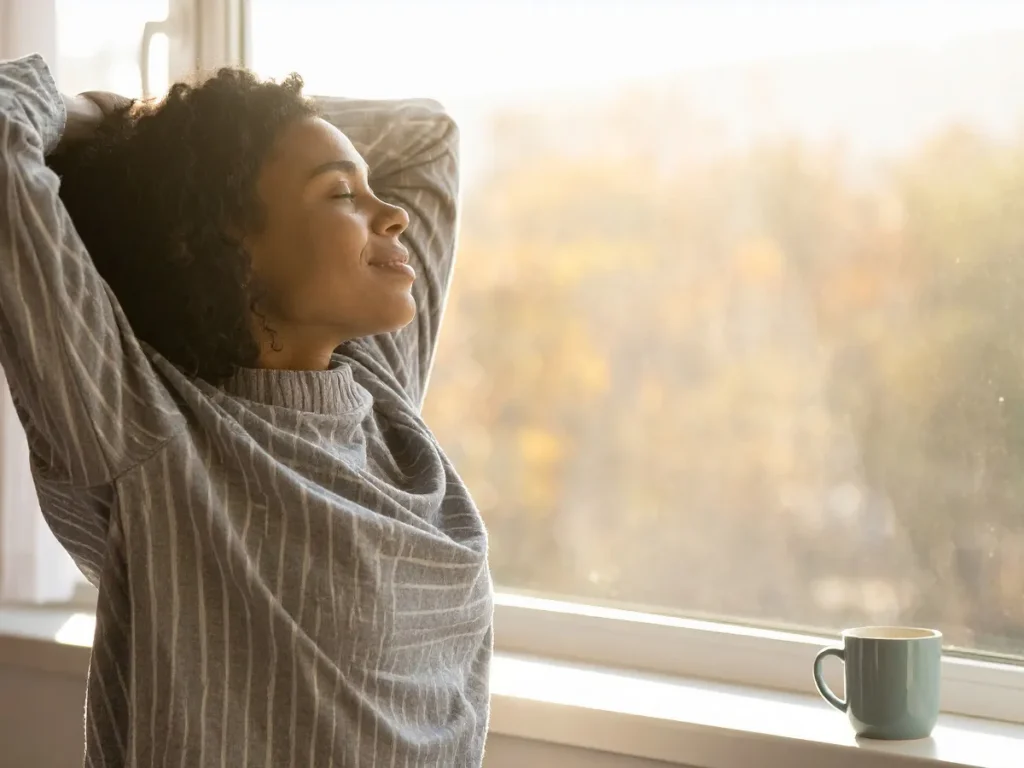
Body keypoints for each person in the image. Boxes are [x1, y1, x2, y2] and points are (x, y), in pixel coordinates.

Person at [0, 54, 492, 767]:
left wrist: (173, 130)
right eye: (341, 194)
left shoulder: (378, 395)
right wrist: (126, 132)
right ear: (223, 243)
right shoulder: (151, 434)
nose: (393, 215)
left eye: (371, 189)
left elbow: (427, 136)